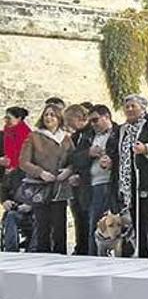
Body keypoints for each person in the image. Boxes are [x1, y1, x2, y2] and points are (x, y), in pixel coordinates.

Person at [106, 95, 148, 259]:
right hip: (129, 184)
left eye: (133, 106)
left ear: (142, 108)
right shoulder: (121, 130)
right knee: (136, 221)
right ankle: (142, 254)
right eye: (126, 107)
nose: (129, 110)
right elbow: (116, 153)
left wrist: (147, 150)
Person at [19, 104, 74, 254]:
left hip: (59, 188)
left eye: (52, 115)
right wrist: (40, 172)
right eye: (46, 115)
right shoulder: (34, 137)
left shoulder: (66, 139)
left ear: (59, 118)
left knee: (59, 226)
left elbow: (73, 160)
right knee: (43, 226)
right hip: (40, 188)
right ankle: (43, 259)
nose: (48, 118)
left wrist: (68, 171)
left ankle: (60, 258)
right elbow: (23, 162)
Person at [71, 104, 117, 256]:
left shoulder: (118, 132)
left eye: (96, 120)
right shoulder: (88, 136)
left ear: (107, 117)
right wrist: (89, 153)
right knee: (94, 225)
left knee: (116, 225)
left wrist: (111, 161)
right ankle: (94, 258)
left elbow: (125, 156)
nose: (93, 124)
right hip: (92, 185)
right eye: (90, 121)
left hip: (113, 184)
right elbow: (75, 158)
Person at [64, 104, 92, 255]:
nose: (68, 125)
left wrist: (80, 175)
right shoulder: (76, 136)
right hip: (75, 184)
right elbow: (73, 157)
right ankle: (80, 247)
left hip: (87, 183)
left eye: (69, 120)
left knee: (87, 217)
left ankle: (87, 248)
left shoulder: (90, 134)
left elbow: (88, 158)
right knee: (78, 217)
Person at [1, 107, 31, 172]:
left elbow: (21, 154)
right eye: (5, 117)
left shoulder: (24, 132)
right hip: (8, 163)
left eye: (9, 118)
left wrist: (13, 166)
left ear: (19, 118)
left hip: (20, 167)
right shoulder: (8, 128)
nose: (6, 120)